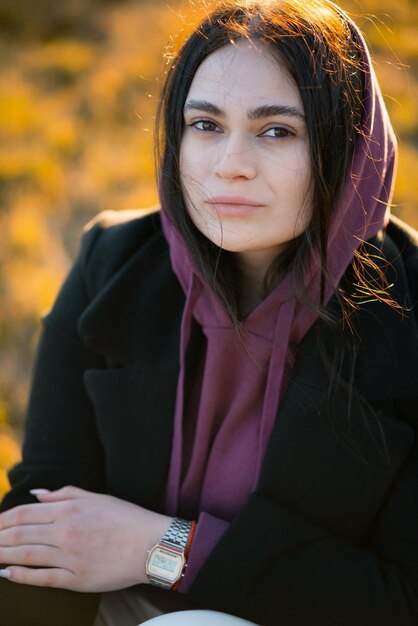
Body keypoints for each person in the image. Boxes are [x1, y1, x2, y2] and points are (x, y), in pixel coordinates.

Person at [0, 0, 417, 624]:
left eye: (278, 130)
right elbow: (40, 527)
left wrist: (164, 548)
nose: (230, 166)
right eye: (205, 125)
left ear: (349, 147)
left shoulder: (405, 313)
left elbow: (398, 599)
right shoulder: (111, 261)